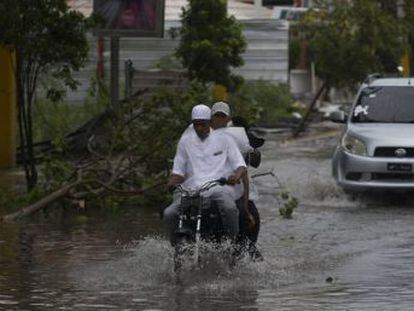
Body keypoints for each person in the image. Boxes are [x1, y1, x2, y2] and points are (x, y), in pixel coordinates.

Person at [163, 104, 247, 245]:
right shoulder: (185, 142)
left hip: (218, 187)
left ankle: (230, 244)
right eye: (196, 125)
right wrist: (172, 182)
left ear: (210, 122)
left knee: (229, 208)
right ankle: (175, 246)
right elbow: (178, 171)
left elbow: (240, 165)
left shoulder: (225, 139)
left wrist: (236, 176)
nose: (199, 128)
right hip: (190, 190)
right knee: (169, 213)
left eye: (202, 124)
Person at [210, 101, 262, 258]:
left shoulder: (238, 137)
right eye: (216, 116)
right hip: (211, 190)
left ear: (228, 119)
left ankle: (247, 256)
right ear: (211, 118)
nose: (219, 119)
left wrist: (248, 151)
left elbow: (254, 161)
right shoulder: (201, 136)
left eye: (222, 116)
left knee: (248, 218)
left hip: (239, 191)